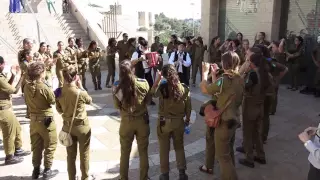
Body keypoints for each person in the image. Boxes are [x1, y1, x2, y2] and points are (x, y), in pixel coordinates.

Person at [199, 52, 244, 180]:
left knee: (222, 156)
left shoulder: (224, 80)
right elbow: (222, 93)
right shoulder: (239, 78)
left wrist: (204, 72)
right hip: (233, 119)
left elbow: (205, 90)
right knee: (228, 151)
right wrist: (214, 75)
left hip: (224, 122)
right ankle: (230, 173)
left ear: (224, 63)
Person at [150, 64, 190, 180]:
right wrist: (187, 120)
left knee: (164, 149)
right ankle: (182, 173)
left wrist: (157, 79)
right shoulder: (184, 88)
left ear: (164, 75)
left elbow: (152, 93)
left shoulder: (162, 88)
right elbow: (188, 106)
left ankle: (165, 174)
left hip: (164, 123)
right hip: (178, 123)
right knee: (179, 147)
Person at [113, 60, 150, 180]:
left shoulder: (117, 87)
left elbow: (116, 106)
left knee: (125, 153)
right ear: (133, 70)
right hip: (142, 122)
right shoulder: (143, 83)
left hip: (126, 122)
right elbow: (148, 101)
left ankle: (123, 178)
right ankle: (144, 177)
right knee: (143, 151)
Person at [55, 65, 92, 180]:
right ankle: (85, 177)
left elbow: (59, 109)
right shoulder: (80, 92)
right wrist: (81, 87)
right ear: (76, 77)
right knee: (84, 154)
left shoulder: (59, 92)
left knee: (70, 156)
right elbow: (90, 101)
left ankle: (72, 177)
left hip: (68, 127)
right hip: (81, 126)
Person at [23, 62, 59, 179]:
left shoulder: (26, 86)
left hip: (33, 121)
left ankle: (36, 170)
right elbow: (52, 101)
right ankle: (47, 170)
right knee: (50, 144)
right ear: (41, 73)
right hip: (46, 120)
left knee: (36, 146)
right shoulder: (43, 87)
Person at [238, 52, 267, 168]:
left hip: (251, 106)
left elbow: (243, 85)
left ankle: (249, 158)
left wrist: (244, 73)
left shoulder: (253, 74)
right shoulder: (264, 72)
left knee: (248, 133)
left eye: (249, 60)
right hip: (260, 106)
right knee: (256, 133)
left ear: (252, 62)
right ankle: (261, 155)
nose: (247, 62)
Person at [0, 56, 31, 165]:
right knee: (8, 133)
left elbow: (6, 85)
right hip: (3, 110)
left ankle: (18, 149)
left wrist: (13, 75)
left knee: (17, 127)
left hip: (6, 108)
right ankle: (9, 157)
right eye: (4, 64)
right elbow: (14, 90)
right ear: (0, 65)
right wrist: (21, 76)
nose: (4, 66)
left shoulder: (1, 77)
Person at [131, 37, 156, 105]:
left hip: (148, 72)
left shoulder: (148, 51)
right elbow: (132, 62)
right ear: (141, 46)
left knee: (150, 86)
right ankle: (140, 100)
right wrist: (139, 59)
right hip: (140, 73)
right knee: (140, 87)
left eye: (146, 47)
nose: (146, 48)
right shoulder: (136, 53)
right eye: (145, 47)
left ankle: (150, 100)